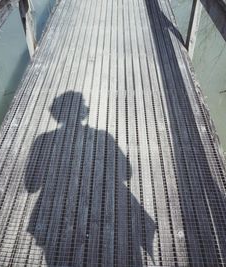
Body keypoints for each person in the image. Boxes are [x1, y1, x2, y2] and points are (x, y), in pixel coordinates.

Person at [25, 91, 155, 266]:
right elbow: (127, 173)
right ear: (83, 112)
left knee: (62, 256)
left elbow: (31, 186)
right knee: (104, 250)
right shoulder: (103, 137)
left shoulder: (43, 140)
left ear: (57, 115)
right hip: (101, 206)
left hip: (58, 212)